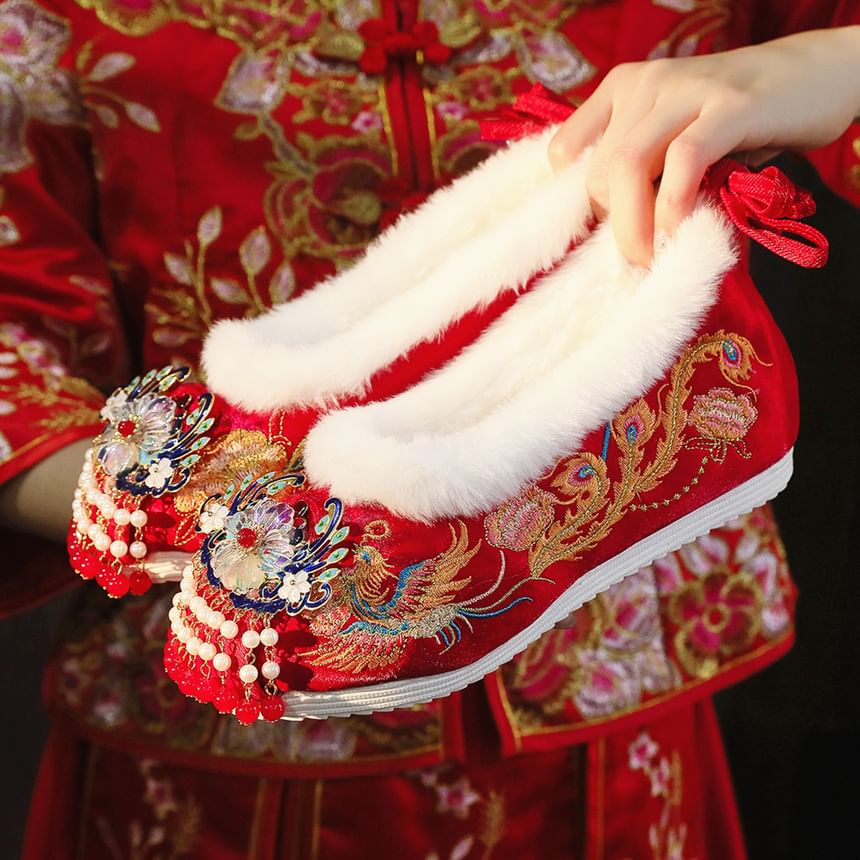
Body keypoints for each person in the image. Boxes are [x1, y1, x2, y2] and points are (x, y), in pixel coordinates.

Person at [1, 1, 858, 857]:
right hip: (206, 754)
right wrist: (225, 521)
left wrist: (832, 64)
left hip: (608, 707)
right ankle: (312, 496)